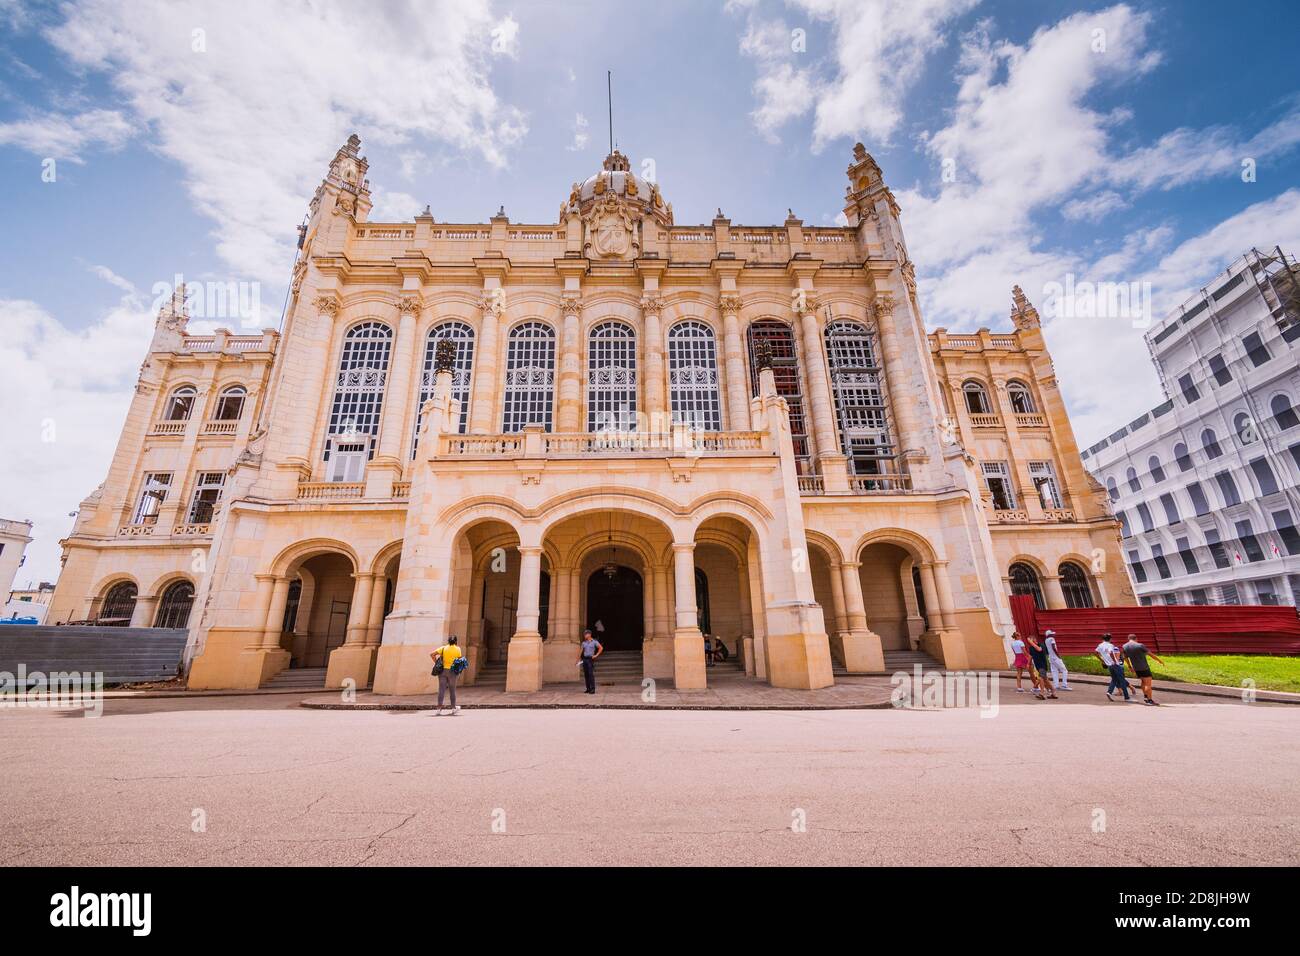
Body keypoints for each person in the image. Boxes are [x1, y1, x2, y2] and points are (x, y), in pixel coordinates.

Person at [1122, 633, 1165, 706]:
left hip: (1136, 668)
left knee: (1143, 682)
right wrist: (1159, 660)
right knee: (1148, 684)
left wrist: (1129, 666)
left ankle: (1145, 696)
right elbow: (1150, 654)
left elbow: (1125, 658)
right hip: (1144, 667)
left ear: (1129, 639)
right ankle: (1150, 700)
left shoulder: (1125, 646)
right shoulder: (1140, 645)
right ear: (1136, 639)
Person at [431, 635, 463, 716]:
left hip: (442, 671)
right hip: (453, 672)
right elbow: (459, 659)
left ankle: (439, 709)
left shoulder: (443, 648)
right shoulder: (458, 649)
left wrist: (436, 663)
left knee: (441, 689)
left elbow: (432, 654)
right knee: (452, 690)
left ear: (448, 641)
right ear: (456, 641)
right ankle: (453, 708)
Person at [1094, 632, 1131, 702]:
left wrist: (1102, 660)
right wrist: (1115, 661)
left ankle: (1109, 692)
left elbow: (1095, 652)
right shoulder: (1111, 645)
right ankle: (1127, 697)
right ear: (1110, 639)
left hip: (1109, 665)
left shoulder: (1100, 645)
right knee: (1122, 680)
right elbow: (1111, 653)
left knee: (1114, 679)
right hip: (1115, 665)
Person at [1025, 633, 1057, 699]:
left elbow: (1039, 649)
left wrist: (1031, 642)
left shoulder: (1041, 645)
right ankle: (1053, 691)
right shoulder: (1031, 648)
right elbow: (1030, 656)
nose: (1029, 642)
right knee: (1045, 680)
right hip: (1038, 666)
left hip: (1043, 665)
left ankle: (1042, 693)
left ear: (1034, 639)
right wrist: (1028, 664)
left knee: (1040, 678)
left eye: (1031, 640)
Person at [577, 628, 603, 694]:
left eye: (585, 634)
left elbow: (601, 648)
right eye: (584, 634)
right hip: (584, 659)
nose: (584, 635)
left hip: (590, 659)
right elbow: (581, 651)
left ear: (589, 634)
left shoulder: (594, 642)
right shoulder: (583, 643)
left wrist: (596, 655)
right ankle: (588, 688)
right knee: (586, 675)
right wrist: (578, 659)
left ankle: (593, 689)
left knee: (591, 674)